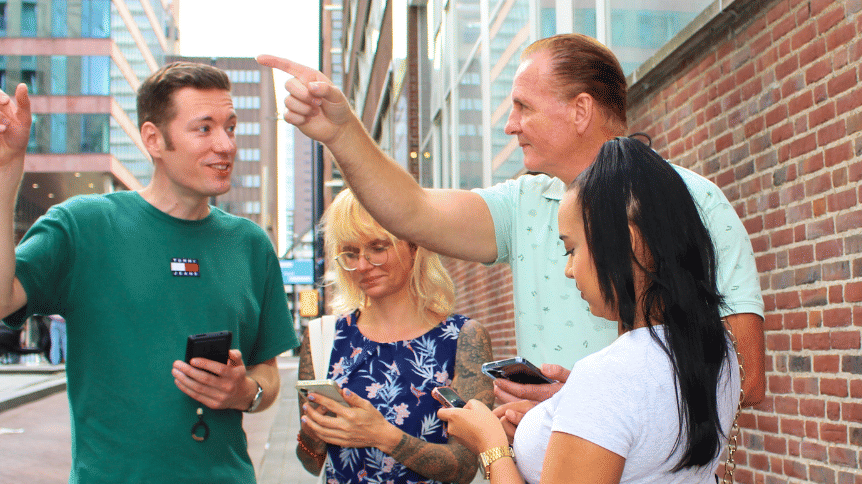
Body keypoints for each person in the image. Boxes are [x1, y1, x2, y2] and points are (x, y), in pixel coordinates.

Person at [0, 55, 299, 484]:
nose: (225, 144)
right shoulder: (86, 226)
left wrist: (243, 391)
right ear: (153, 139)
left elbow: (269, 375)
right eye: (203, 128)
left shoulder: (249, 246)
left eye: (230, 127)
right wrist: (2, 168)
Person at [257, 33, 765, 432]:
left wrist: (580, 402)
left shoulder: (695, 203)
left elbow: (746, 377)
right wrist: (342, 132)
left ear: (580, 111)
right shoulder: (524, 201)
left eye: (524, 106)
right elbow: (412, 212)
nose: (510, 125)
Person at [440, 137, 743, 484]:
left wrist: (492, 447)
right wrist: (564, 408)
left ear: (629, 243)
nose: (568, 270)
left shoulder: (611, 374)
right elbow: (646, 436)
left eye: (571, 249)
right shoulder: (716, 355)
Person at [297, 189, 504, 484]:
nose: (363, 264)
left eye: (377, 247)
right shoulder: (324, 339)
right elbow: (309, 462)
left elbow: (464, 467)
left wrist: (382, 435)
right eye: (350, 253)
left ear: (413, 245)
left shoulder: (462, 339)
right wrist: (314, 432)